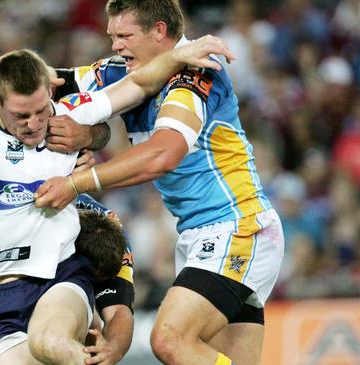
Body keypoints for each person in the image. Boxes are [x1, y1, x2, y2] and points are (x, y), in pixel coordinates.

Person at [0, 34, 229, 364]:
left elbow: (137, 82)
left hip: (60, 276)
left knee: (50, 341)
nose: (35, 124)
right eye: (22, 115)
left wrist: (184, 52)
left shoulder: (70, 115)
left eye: (41, 110)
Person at [34, 1, 284, 365]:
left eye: (125, 35)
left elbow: (163, 153)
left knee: (170, 339)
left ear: (159, 31)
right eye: (112, 36)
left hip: (237, 227)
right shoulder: (119, 72)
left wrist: (77, 183)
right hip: (202, 234)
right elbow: (42, 81)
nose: (116, 45)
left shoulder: (196, 74)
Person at [75, 194, 135, 365]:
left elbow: (118, 311)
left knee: (92, 328)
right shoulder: (49, 232)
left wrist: (111, 350)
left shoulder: (120, 249)